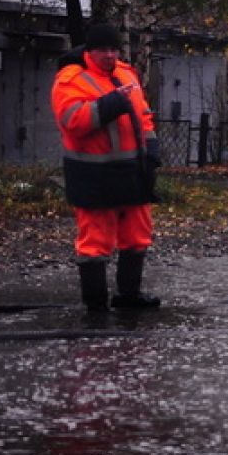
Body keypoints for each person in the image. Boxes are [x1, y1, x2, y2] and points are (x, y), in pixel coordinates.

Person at [51, 23, 161, 313]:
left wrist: (152, 148)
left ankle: (129, 295)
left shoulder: (127, 73)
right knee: (95, 241)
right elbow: (73, 121)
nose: (110, 55)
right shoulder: (70, 79)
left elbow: (144, 114)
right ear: (90, 51)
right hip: (93, 175)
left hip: (132, 172)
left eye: (114, 49)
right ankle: (96, 304)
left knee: (137, 235)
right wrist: (111, 104)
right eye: (104, 50)